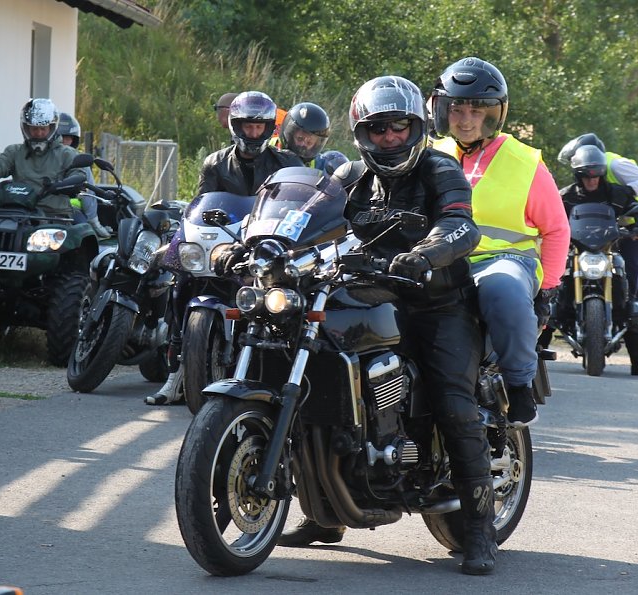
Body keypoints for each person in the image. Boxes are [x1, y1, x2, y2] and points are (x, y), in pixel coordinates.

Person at [279, 75, 497, 576]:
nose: (391, 137)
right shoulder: (348, 176)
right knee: (318, 380)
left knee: (453, 404)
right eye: (378, 129)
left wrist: (425, 255)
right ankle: (326, 511)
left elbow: (461, 224)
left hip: (437, 304)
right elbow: (303, 217)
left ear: (417, 127)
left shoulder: (439, 167)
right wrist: (265, 244)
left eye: (400, 126)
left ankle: (479, 527)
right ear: (362, 134)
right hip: (370, 298)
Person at [430, 57, 570, 427]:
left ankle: (519, 384)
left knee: (502, 289)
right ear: (441, 110)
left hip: (505, 260)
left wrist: (548, 290)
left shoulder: (525, 162)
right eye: (457, 109)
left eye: (477, 111)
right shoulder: (429, 155)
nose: (465, 120)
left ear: (495, 114)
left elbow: (556, 230)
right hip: (441, 258)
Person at [146, 91, 302, 406]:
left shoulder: (287, 163)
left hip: (264, 242)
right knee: (181, 279)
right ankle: (175, 372)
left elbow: (297, 204)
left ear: (269, 128)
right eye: (247, 126)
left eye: (259, 127)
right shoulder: (215, 163)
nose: (253, 133)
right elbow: (200, 206)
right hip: (223, 240)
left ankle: (284, 369)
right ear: (235, 126)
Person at [557, 133, 638, 376]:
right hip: (578, 250)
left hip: (606, 250)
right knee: (556, 292)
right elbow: (550, 216)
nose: (592, 180)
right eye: (586, 175)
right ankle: (537, 353)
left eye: (596, 175)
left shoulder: (616, 192)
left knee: (626, 298)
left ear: (602, 172)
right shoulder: (566, 195)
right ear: (578, 174)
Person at [0, 98, 86, 218]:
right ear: (26, 128)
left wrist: (67, 184)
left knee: (80, 228)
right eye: (34, 129)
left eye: (43, 129)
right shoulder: (15, 151)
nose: (39, 133)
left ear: (52, 128)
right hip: (19, 215)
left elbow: (78, 174)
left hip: (54, 216)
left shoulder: (67, 154)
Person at [56, 112, 112, 238]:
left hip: (68, 212)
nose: (64, 142)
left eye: (67, 138)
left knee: (84, 236)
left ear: (74, 140)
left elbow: (88, 195)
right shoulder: (41, 157)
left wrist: (93, 221)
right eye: (60, 137)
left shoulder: (78, 160)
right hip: (41, 210)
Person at [271, 102, 331, 169]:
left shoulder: (318, 164)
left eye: (309, 143)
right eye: (300, 139)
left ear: (316, 145)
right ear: (290, 134)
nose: (303, 144)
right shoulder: (267, 148)